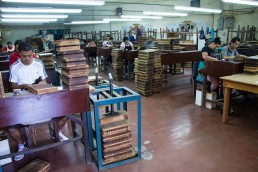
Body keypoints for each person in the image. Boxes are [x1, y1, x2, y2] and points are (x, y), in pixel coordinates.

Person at [8, 42, 68, 161]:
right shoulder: (14, 66)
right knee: (10, 125)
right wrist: (26, 86)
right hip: (23, 101)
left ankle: (56, 132)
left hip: (40, 98)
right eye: (24, 56)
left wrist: (38, 85)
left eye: (29, 55)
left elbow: (44, 82)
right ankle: (21, 145)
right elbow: (12, 86)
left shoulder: (38, 63)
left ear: (33, 54)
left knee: (66, 113)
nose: (27, 58)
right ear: (19, 54)